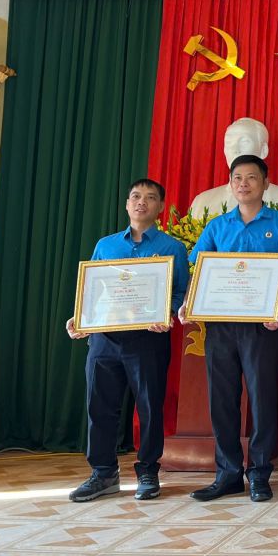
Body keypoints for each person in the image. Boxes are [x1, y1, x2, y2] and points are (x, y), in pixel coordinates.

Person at [180, 154, 278, 502]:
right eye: (237, 178)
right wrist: (189, 302)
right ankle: (228, 474)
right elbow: (198, 272)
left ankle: (260, 474)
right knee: (222, 400)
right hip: (220, 326)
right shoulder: (217, 227)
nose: (244, 183)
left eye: (251, 177)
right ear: (231, 184)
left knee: (263, 400)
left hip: (264, 326)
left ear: (265, 183)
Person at [67, 178, 189, 502]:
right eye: (136, 196)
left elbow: (180, 292)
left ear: (160, 207)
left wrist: (170, 312)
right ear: (126, 204)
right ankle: (103, 473)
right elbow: (93, 289)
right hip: (104, 340)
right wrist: (79, 318)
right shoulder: (105, 246)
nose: (142, 202)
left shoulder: (172, 248)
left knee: (149, 408)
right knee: (100, 407)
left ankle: (148, 471)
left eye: (150, 198)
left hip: (148, 339)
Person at [189, 117, 278, 219]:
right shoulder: (201, 203)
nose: (234, 149)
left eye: (244, 141)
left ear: (264, 150)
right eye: (229, 143)